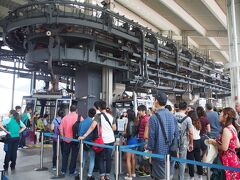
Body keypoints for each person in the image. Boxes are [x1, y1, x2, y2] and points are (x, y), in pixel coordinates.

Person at [79, 100, 116, 180]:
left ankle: (102, 176)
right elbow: (114, 128)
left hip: (102, 141)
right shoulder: (111, 116)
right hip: (111, 140)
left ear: (98, 108)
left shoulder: (98, 116)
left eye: (95, 107)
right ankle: (107, 176)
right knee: (108, 158)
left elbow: (92, 127)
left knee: (100, 158)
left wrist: (84, 136)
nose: (94, 109)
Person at [147, 92, 178, 179]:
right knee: (169, 176)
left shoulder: (153, 118)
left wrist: (150, 151)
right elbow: (176, 135)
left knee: (159, 177)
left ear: (156, 101)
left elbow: (152, 136)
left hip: (158, 154)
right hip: (171, 153)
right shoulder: (172, 116)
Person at [208, 107, 240, 180]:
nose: (219, 115)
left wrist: (214, 142)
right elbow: (237, 145)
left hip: (226, 161)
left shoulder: (226, 129)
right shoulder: (232, 127)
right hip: (233, 159)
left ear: (226, 116)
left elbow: (224, 148)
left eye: (221, 114)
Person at [174, 101, 193, 180]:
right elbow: (191, 132)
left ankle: (169, 175)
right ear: (186, 108)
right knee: (182, 160)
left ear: (178, 107)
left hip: (174, 139)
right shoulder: (188, 118)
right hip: (183, 140)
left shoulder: (173, 115)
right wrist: (191, 143)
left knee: (172, 158)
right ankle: (180, 178)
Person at [59, 105, 79, 176]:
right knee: (74, 156)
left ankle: (63, 170)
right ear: (76, 110)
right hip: (76, 140)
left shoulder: (65, 118)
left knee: (65, 155)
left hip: (66, 139)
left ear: (70, 110)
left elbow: (60, 128)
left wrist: (62, 137)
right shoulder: (79, 117)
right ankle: (72, 171)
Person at [78, 108, 96, 180]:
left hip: (83, 143)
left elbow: (79, 133)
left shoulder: (82, 122)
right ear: (94, 115)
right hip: (91, 143)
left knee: (83, 159)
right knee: (92, 159)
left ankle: (80, 174)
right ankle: (89, 175)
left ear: (88, 113)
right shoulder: (94, 123)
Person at [187, 110, 203, 180]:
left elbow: (190, 134)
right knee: (198, 159)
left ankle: (192, 176)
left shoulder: (190, 123)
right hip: (198, 141)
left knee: (190, 160)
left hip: (192, 141)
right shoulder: (198, 122)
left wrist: (190, 143)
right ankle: (200, 175)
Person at [136, 105, 150, 177]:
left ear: (144, 111)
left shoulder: (146, 119)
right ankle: (142, 169)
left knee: (144, 156)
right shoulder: (141, 118)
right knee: (141, 155)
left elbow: (147, 131)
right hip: (140, 138)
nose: (138, 112)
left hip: (143, 140)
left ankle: (146, 171)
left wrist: (146, 141)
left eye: (139, 111)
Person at [124, 109, 138, 180]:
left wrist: (125, 135)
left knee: (128, 159)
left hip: (130, 141)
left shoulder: (130, 123)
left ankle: (129, 176)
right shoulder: (136, 122)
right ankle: (133, 173)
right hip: (135, 141)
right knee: (133, 158)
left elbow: (129, 133)